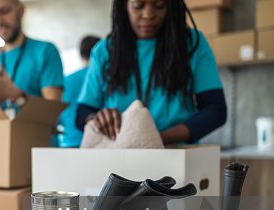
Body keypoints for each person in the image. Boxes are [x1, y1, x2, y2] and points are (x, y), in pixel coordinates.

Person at [76, 0, 227, 145]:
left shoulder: (191, 44)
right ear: (124, 5)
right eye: (138, 5)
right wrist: (97, 119)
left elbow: (215, 109)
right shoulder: (105, 51)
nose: (148, 14)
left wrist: (161, 138)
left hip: (176, 152)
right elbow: (82, 112)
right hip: (119, 153)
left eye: (160, 5)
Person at [0, 0, 64, 108]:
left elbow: (52, 112)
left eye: (4, 11)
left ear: (21, 10)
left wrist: (17, 96)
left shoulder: (45, 52)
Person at [57, 35, 100, 147]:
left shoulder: (65, 80)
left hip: (68, 142)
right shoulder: (103, 80)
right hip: (95, 143)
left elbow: (57, 114)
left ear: (80, 54)